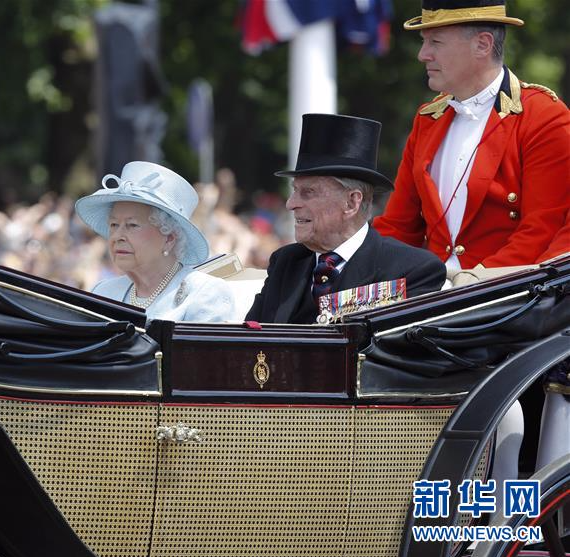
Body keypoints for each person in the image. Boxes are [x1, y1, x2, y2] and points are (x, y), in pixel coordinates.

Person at [373, 0, 570, 270]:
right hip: (430, 297)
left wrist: (475, 284)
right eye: (424, 41)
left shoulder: (543, 115)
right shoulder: (427, 118)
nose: (423, 54)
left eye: (435, 42)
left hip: (506, 299)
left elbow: (541, 230)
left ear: (483, 44)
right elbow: (397, 227)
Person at [245, 114, 446, 324]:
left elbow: (398, 353)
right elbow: (252, 343)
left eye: (308, 192)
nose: (290, 203)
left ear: (351, 202)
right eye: (295, 191)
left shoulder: (410, 270)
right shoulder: (286, 262)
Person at [75, 161, 235, 322]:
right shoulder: (103, 293)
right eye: (114, 224)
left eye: (132, 225)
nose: (118, 236)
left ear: (169, 238)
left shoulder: (204, 294)